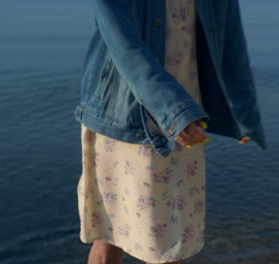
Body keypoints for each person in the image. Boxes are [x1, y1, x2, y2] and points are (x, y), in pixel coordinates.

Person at [74, 0, 266, 263]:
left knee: (171, 245)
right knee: (109, 236)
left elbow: (231, 40)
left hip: (185, 116)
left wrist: (243, 112)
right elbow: (120, 39)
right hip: (121, 113)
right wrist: (173, 110)